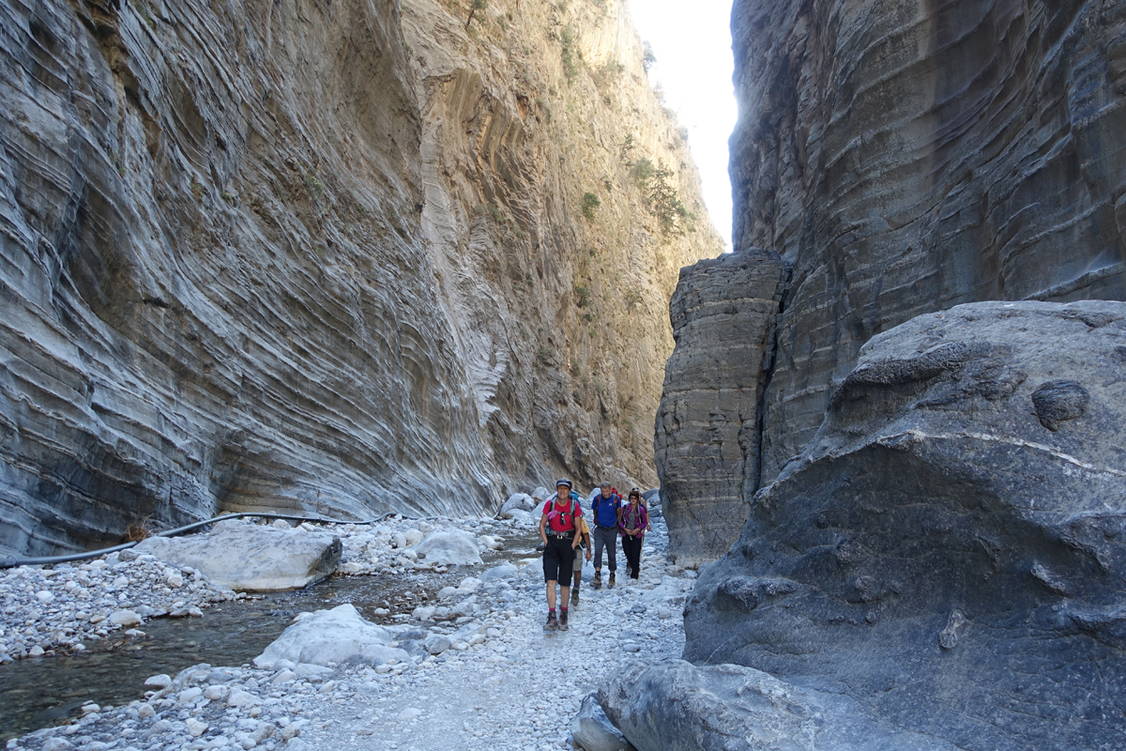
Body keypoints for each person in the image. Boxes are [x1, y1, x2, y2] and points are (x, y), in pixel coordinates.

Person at [539, 479, 583, 629]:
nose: (563, 491)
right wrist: (546, 542)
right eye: (560, 489)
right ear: (557, 490)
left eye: (565, 489)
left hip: (567, 543)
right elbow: (542, 524)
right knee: (550, 581)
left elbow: (578, 528)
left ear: (569, 491)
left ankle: (563, 614)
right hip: (552, 543)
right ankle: (552, 616)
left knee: (565, 582)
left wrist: (572, 545)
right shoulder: (550, 504)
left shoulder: (574, 506)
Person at [589, 484, 622, 588]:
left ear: (610, 490)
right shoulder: (597, 499)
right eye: (603, 491)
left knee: (611, 553)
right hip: (599, 529)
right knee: (598, 551)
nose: (605, 493)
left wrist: (618, 525)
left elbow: (619, 512)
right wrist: (596, 519)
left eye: (607, 491)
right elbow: (594, 510)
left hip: (612, 530)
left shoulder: (616, 499)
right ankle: (597, 575)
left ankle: (612, 575)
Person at [618, 488, 651, 579]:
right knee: (627, 552)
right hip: (626, 533)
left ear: (637, 499)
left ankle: (635, 574)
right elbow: (620, 521)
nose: (633, 500)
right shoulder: (625, 508)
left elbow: (644, 521)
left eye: (635, 498)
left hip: (637, 534)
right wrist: (624, 529)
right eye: (631, 498)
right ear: (629, 499)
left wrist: (638, 529)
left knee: (636, 553)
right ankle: (633, 566)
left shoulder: (641, 509)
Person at [570, 515, 592, 603]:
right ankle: (566, 589)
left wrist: (588, 550)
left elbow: (585, 534)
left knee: (577, 570)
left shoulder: (580, 519)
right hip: (563, 547)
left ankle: (575, 590)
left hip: (577, 547)